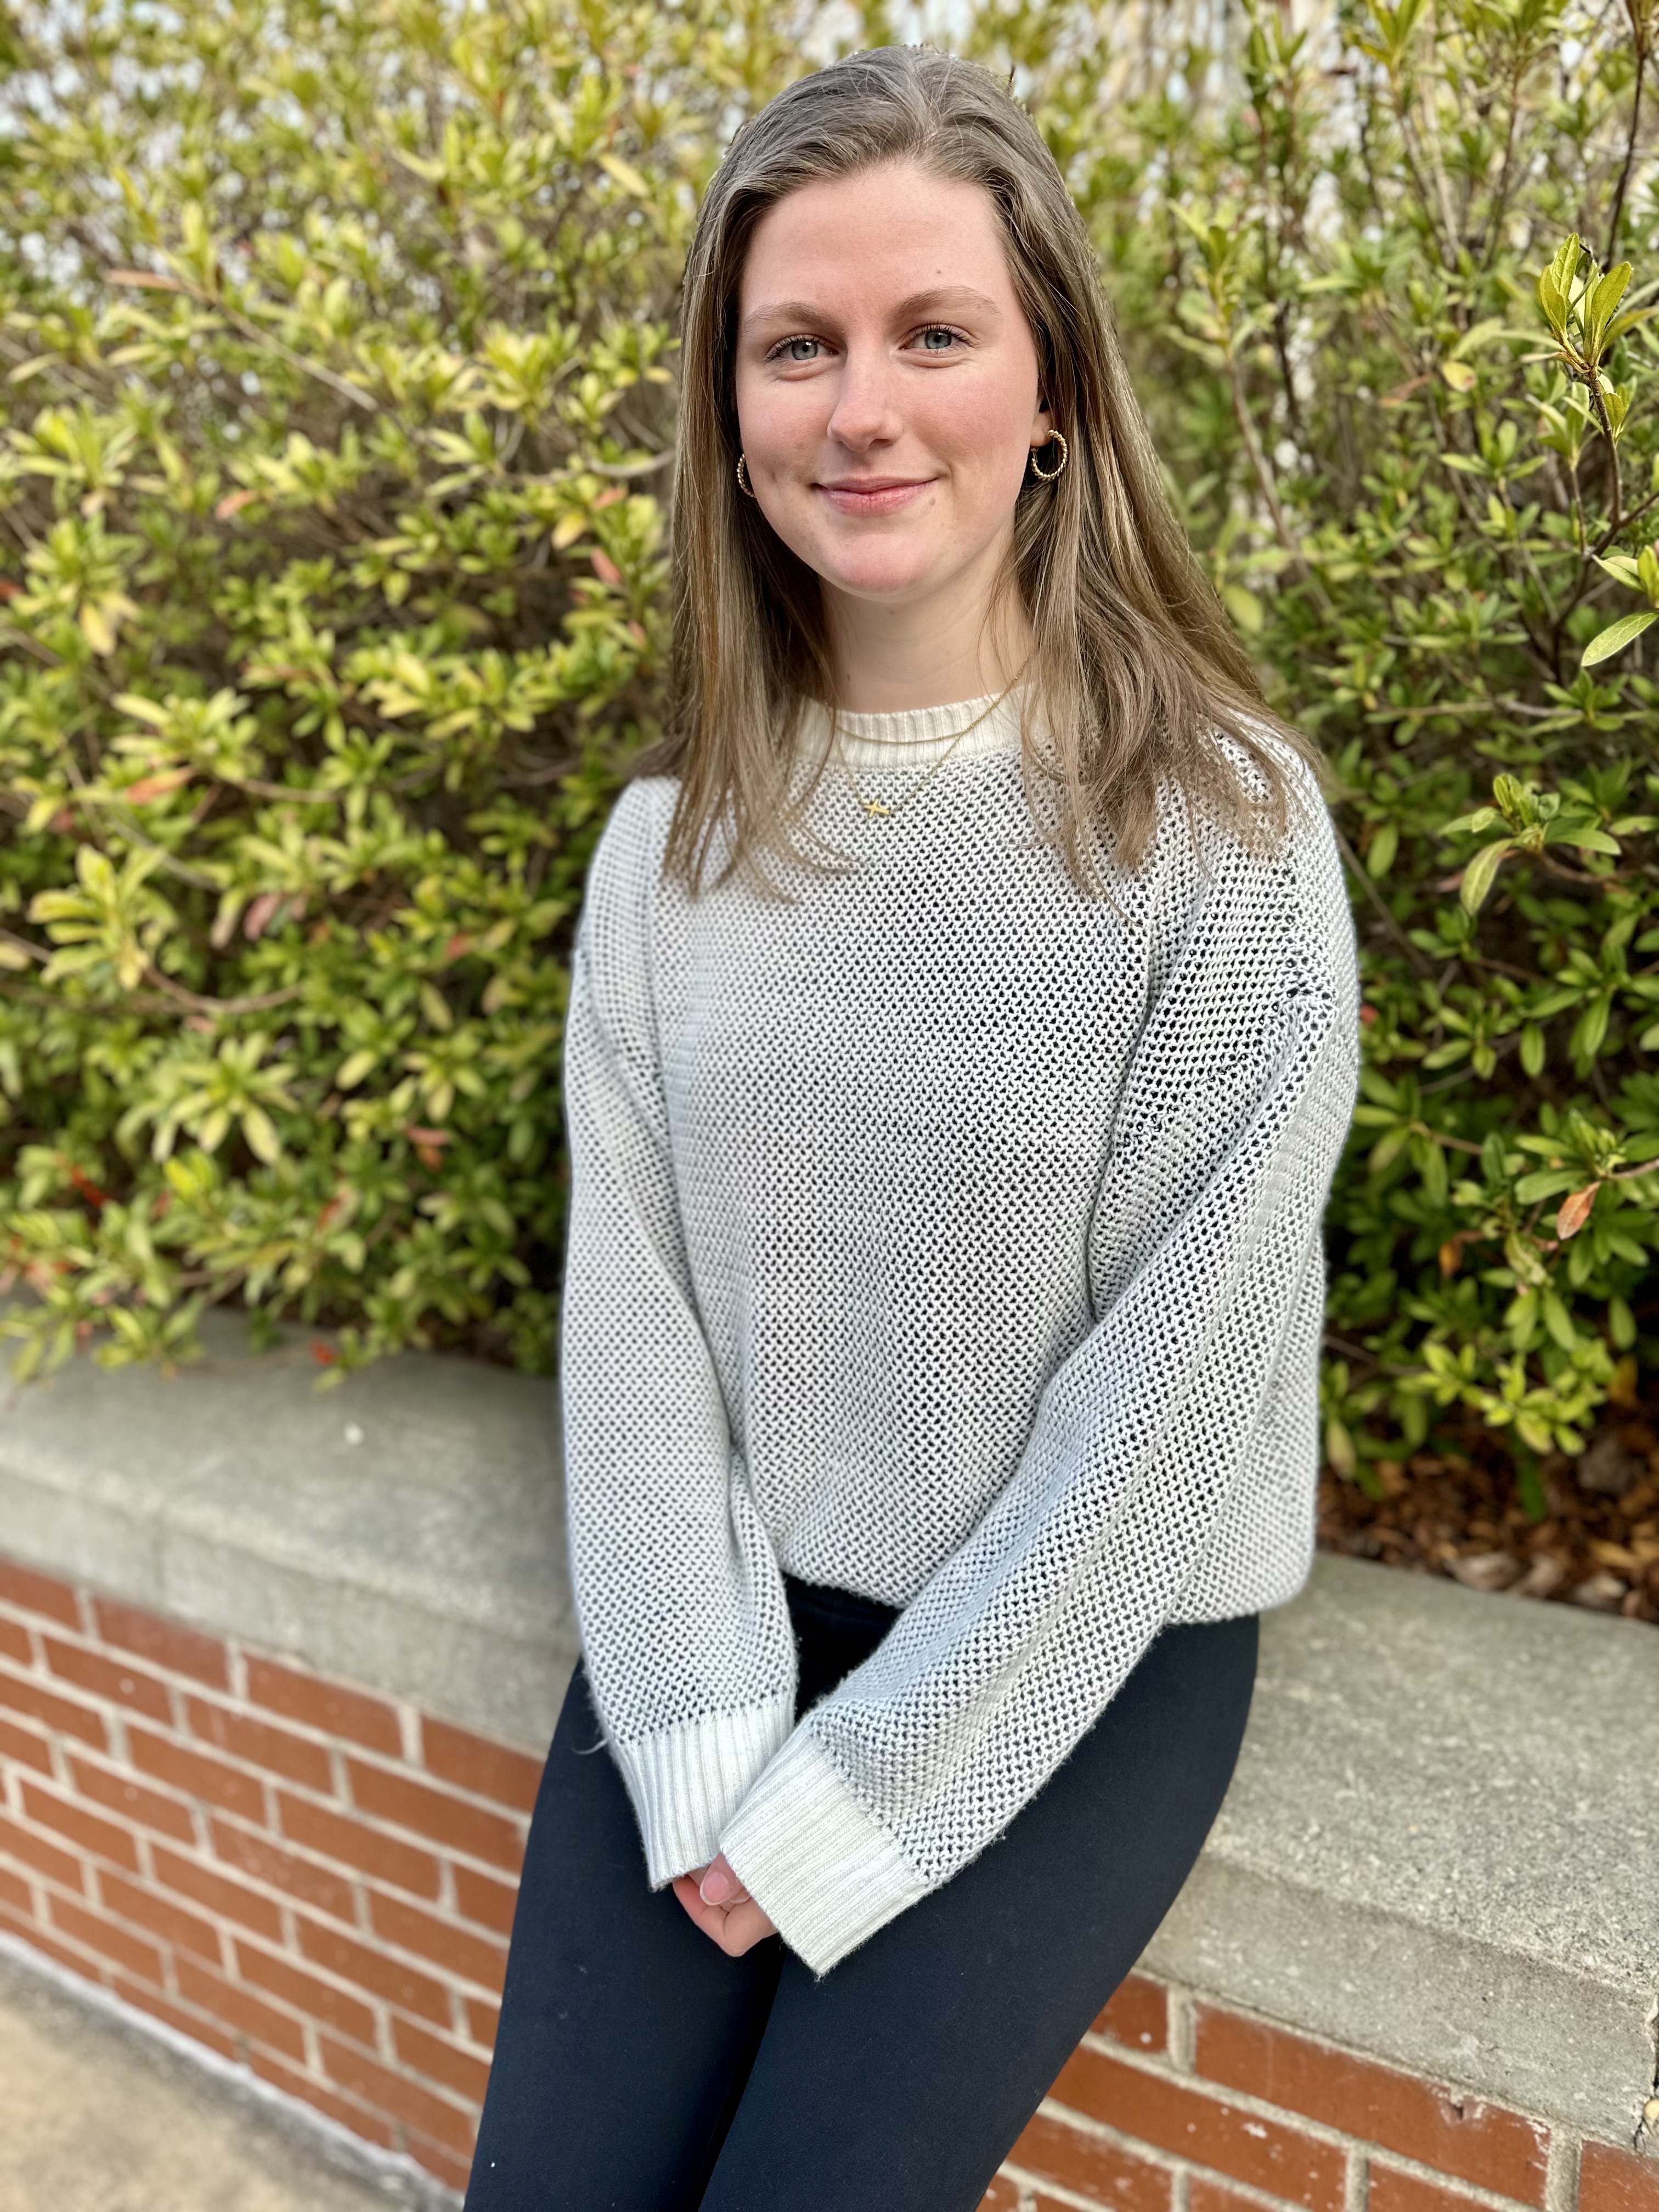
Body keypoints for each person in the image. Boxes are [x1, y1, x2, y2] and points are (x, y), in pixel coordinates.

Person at [464, 43, 1360, 2212]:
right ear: (734, 407)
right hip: (729, 1616)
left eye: (931, 332)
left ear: (1048, 385)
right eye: (798, 346)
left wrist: (855, 1807)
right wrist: (699, 1738)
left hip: (1083, 1655)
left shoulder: (1220, 841)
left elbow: (1164, 1407)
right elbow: (641, 1324)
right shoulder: (665, 850)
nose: (860, 407)